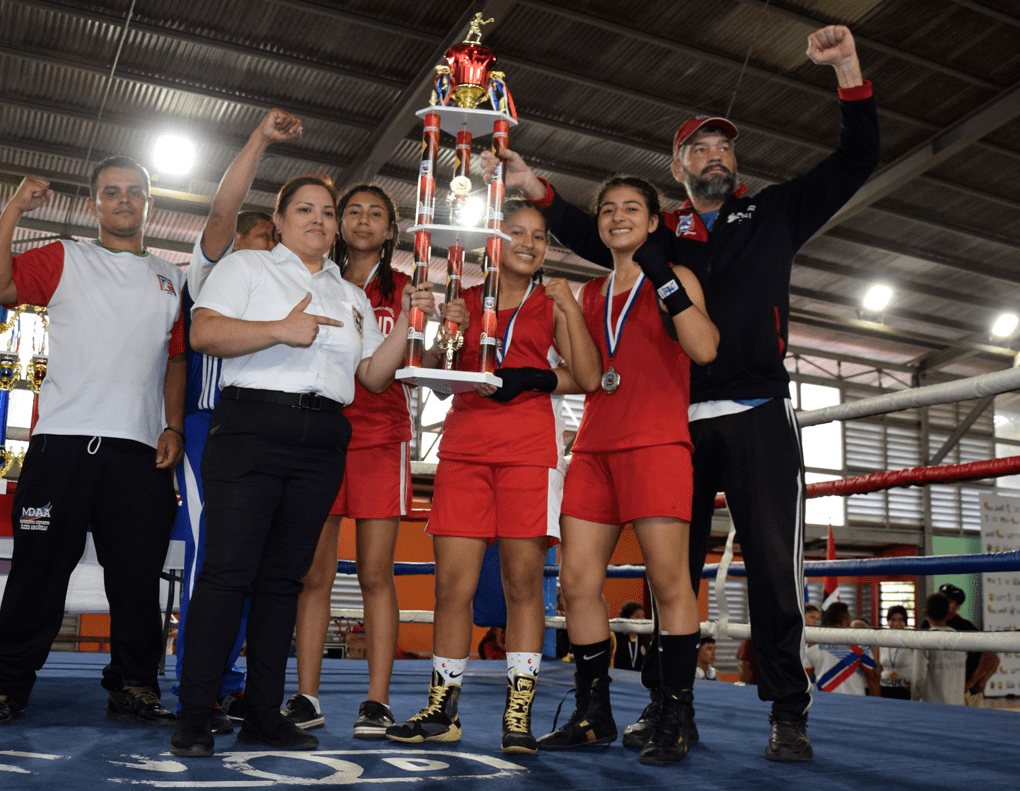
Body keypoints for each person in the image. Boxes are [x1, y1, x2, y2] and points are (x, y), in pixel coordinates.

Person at [482, 24, 878, 763]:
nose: (715, 156)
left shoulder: (779, 211)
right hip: (675, 423)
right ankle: (673, 709)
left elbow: (857, 158)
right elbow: (601, 232)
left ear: (738, 161)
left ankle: (788, 711)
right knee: (674, 575)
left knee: (770, 566)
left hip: (758, 411)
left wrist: (849, 72)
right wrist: (535, 187)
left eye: (724, 146)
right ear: (678, 165)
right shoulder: (662, 236)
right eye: (699, 148)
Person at [169, 175, 438, 758]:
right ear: (283, 218)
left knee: (283, 581)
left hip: (322, 437)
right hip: (250, 426)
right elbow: (203, 332)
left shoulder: (351, 295)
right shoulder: (248, 267)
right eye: (305, 209)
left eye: (326, 212)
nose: (318, 219)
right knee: (226, 571)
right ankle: (195, 711)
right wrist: (279, 331)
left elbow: (371, 376)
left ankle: (264, 711)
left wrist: (413, 325)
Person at [0, 157, 186, 728]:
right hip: (61, 446)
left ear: (149, 204)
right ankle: (5, 689)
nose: (123, 200)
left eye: (134, 192)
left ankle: (135, 687)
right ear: (94, 204)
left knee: (137, 580)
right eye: (111, 192)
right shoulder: (66, 256)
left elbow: (177, 359)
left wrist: (173, 425)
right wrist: (15, 208)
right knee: (38, 572)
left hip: (140, 452)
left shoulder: (173, 277)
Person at [386, 200, 602, 756]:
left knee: (522, 586)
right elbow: (436, 380)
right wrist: (442, 332)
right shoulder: (465, 296)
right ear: (494, 241)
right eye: (517, 232)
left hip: (529, 452)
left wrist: (563, 324)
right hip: (464, 450)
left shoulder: (552, 300)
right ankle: (443, 711)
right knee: (451, 586)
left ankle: (518, 714)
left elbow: (586, 377)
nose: (529, 243)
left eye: (539, 235)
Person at [518, 177, 717, 768]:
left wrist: (664, 278)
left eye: (632, 208)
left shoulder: (676, 279)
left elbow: (705, 350)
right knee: (577, 585)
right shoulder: (589, 291)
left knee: (669, 585)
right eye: (608, 209)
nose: (617, 216)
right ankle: (593, 714)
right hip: (596, 448)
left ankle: (676, 716)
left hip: (657, 443)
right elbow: (586, 373)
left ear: (655, 222)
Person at [170, 108, 300, 736]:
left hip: (270, 435)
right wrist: (259, 141)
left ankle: (232, 683)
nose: (268, 254)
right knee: (214, 560)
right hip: (210, 430)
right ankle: (201, 684)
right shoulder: (219, 270)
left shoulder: (288, 290)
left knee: (258, 565)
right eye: (263, 240)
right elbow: (223, 215)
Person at [281, 185, 424, 740]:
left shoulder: (410, 289)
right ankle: (307, 695)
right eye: (354, 212)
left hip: (382, 436)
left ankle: (378, 702)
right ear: (338, 223)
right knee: (313, 572)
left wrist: (438, 327)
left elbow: (429, 362)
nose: (364, 221)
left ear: (391, 230)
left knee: (374, 574)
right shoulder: (316, 280)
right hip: (322, 433)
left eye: (377, 215)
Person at [925, 583, 1000, 707]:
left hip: (963, 693)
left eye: (946, 600)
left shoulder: (967, 628)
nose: (941, 602)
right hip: (936, 692)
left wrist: (975, 681)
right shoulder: (926, 624)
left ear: (956, 605)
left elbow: (993, 657)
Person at [804, 602, 879, 696]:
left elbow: (804, 682)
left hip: (824, 703)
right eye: (849, 616)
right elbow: (873, 680)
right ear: (844, 620)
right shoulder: (859, 643)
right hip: (856, 704)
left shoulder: (811, 645)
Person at [912, 593, 966, 705]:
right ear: (949, 614)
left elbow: (918, 678)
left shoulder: (924, 640)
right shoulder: (961, 639)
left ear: (925, 613)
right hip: (958, 704)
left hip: (932, 707)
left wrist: (914, 700)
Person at [880, 605, 912, 700]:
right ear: (888, 622)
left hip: (906, 689)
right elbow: (877, 667)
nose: (896, 623)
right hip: (885, 688)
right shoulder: (881, 638)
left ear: (905, 622)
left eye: (900, 620)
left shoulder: (912, 638)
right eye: (892, 620)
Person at [614, 601, 649, 672]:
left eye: (643, 616)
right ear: (626, 617)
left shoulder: (644, 638)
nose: (642, 620)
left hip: (637, 680)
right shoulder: (616, 636)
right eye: (637, 616)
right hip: (618, 679)